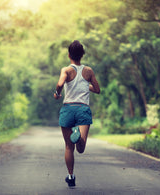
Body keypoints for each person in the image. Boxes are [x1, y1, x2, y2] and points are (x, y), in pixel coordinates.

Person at [54, 40, 100, 187]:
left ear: (69, 55)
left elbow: (60, 84)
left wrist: (57, 93)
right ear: (82, 55)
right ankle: (79, 137)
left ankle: (71, 176)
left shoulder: (66, 70)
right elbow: (97, 89)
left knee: (68, 147)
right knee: (80, 149)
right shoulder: (89, 71)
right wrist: (87, 85)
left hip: (68, 109)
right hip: (82, 109)